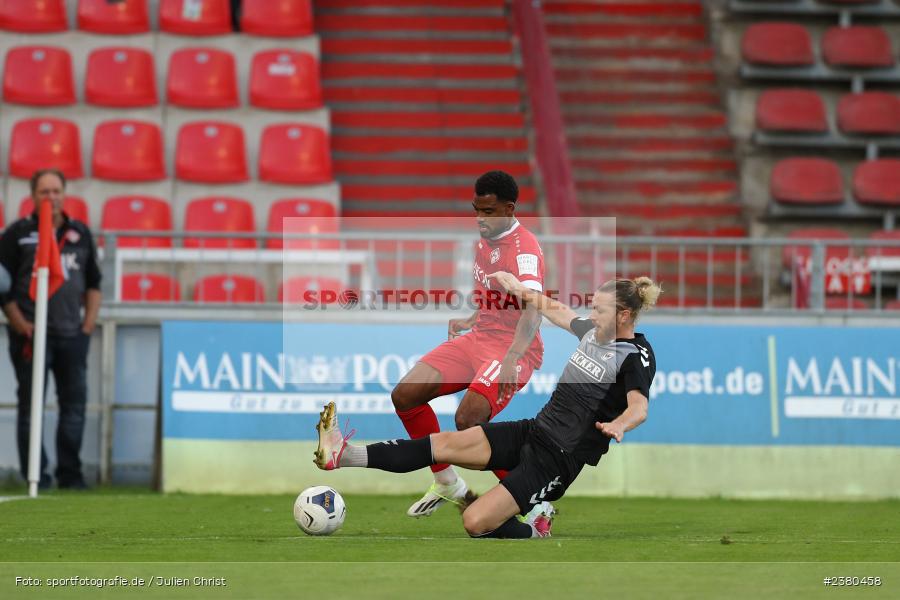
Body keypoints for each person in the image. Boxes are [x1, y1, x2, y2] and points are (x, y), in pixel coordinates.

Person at [315, 274, 660, 538]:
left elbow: (639, 407)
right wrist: (515, 285)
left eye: (599, 309)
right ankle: (342, 455)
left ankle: (535, 527)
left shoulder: (635, 356)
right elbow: (553, 308)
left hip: (559, 458)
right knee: (442, 445)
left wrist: (620, 425)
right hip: (533, 431)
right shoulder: (590, 332)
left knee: (474, 522)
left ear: (624, 315)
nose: (590, 314)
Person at [391, 170, 545, 517]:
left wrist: (513, 357)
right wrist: (472, 318)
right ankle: (447, 481)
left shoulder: (525, 252)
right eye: (476, 210)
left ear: (509, 208)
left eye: (488, 212)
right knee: (405, 395)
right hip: (479, 339)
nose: (480, 219)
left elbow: (534, 308)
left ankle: (535, 504)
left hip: (512, 347)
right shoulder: (484, 242)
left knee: (469, 420)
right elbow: (497, 297)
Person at [0, 169, 102, 490]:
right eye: (44, 192)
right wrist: (18, 321)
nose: (51, 197)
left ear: (65, 193)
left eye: (56, 190)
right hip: (30, 335)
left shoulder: (81, 233)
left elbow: (95, 283)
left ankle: (70, 475)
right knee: (32, 407)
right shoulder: (17, 234)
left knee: (74, 407)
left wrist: (87, 327)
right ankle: (36, 476)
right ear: (32, 196)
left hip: (72, 335)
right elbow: (1, 286)